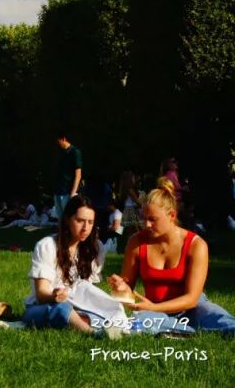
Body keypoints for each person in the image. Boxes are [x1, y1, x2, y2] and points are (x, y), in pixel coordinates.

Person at [107, 181, 235, 335]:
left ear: (172, 215)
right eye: (143, 218)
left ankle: (179, 330)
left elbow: (192, 299)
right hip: (155, 311)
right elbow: (128, 286)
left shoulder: (196, 245)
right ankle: (184, 330)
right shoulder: (136, 242)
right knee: (136, 323)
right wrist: (121, 287)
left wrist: (153, 307)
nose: (146, 225)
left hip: (193, 308)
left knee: (223, 321)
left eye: (152, 219)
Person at [22, 196, 106, 332]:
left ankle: (84, 322)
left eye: (90, 222)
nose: (85, 228)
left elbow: (90, 291)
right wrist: (54, 296)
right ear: (67, 220)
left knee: (106, 306)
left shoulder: (96, 249)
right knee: (62, 309)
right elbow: (41, 295)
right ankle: (93, 333)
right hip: (45, 306)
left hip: (81, 306)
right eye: (80, 221)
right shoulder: (47, 246)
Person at [53, 132, 83, 217]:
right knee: (60, 217)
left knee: (68, 217)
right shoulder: (60, 152)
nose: (57, 143)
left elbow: (78, 174)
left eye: (58, 140)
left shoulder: (75, 152)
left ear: (63, 139)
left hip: (68, 191)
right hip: (58, 190)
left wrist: (73, 192)